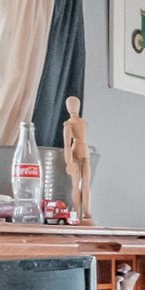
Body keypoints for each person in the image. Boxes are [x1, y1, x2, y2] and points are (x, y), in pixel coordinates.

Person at [63, 95, 93, 224]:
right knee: (80, 185)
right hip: (80, 152)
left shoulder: (72, 123)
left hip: (80, 152)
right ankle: (80, 212)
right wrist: (68, 162)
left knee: (82, 185)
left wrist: (68, 161)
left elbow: (67, 144)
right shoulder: (73, 123)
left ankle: (85, 213)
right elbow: (67, 144)